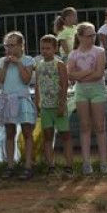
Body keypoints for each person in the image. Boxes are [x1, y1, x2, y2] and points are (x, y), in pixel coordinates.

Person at [67, 22, 107, 175]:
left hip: (97, 90)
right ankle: (86, 162)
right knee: (84, 126)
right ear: (80, 37)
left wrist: (80, 75)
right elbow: (70, 75)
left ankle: (104, 162)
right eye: (88, 36)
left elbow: (99, 74)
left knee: (100, 126)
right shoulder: (73, 54)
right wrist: (87, 73)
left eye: (93, 35)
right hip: (81, 92)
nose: (92, 38)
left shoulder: (99, 51)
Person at [0, 31, 36, 179]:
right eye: (7, 46)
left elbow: (26, 80)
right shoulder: (3, 62)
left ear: (21, 46)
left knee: (26, 131)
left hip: (22, 99)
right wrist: (6, 66)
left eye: (12, 45)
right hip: (8, 99)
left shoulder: (28, 60)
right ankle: (10, 165)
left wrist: (18, 63)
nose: (9, 49)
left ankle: (28, 165)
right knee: (10, 132)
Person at [35, 35, 73, 176]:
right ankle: (50, 165)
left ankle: (69, 165)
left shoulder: (59, 64)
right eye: (42, 48)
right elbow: (37, 85)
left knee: (65, 134)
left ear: (55, 49)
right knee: (47, 135)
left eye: (48, 48)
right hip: (45, 107)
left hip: (58, 106)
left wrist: (62, 104)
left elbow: (64, 84)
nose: (45, 51)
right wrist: (37, 102)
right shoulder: (39, 65)